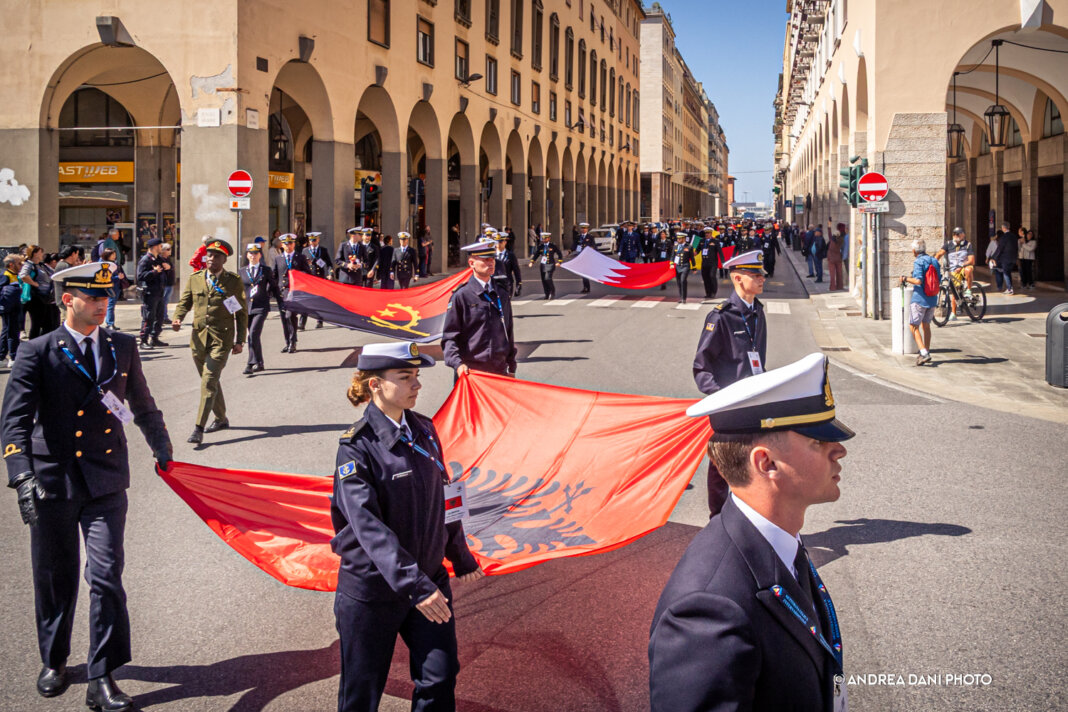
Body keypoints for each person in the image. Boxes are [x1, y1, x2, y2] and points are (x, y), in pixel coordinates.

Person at [2, 260, 172, 712]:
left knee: (106, 575)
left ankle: (102, 675)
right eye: (93, 297)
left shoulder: (121, 344)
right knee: (55, 579)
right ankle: (55, 659)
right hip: (52, 480)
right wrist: (20, 476)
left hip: (105, 479)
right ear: (67, 300)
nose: (102, 304)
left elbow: (142, 403)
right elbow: (14, 422)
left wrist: (162, 447)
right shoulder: (38, 350)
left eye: (106, 296)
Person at [649, 352, 852, 712]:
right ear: (766, 463)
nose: (839, 451)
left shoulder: (777, 541)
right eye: (817, 442)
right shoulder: (708, 609)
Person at [332, 341, 483, 711]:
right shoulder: (356, 447)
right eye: (405, 377)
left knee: (440, 676)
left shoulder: (425, 429)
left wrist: (460, 558)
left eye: (416, 376)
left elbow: (445, 500)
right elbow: (368, 528)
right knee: (361, 694)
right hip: (374, 593)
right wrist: (416, 587)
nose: (417, 385)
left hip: (429, 581)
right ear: (375, 385)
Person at [693, 250, 769, 517]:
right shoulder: (721, 316)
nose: (762, 279)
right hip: (728, 405)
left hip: (753, 403)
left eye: (762, 275)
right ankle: (718, 519)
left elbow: (758, 359)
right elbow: (702, 367)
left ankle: (747, 516)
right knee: (722, 465)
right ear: (738, 278)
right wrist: (721, 398)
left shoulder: (758, 312)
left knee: (752, 462)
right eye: (756, 275)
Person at [171, 238, 247, 443]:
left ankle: (198, 428)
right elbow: (185, 301)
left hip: (221, 339)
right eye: (209, 255)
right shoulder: (195, 278)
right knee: (210, 382)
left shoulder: (232, 281)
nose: (211, 259)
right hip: (198, 338)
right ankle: (221, 418)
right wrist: (178, 317)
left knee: (208, 381)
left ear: (224, 259)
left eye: (216, 256)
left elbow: (240, 313)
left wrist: (240, 340)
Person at [442, 237, 518, 377]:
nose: (491, 263)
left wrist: (511, 365)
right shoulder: (462, 296)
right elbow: (449, 337)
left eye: (492, 259)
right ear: (472, 263)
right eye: (485, 259)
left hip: (499, 370)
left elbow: (508, 331)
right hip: (471, 371)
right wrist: (457, 364)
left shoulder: (501, 293)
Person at [241, 243, 283, 375]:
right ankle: (260, 362)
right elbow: (237, 291)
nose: (253, 256)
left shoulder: (265, 270)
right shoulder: (241, 271)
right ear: (247, 255)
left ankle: (250, 363)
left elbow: (274, 287)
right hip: (247, 308)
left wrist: (281, 303)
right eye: (250, 253)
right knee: (254, 336)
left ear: (260, 255)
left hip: (261, 307)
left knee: (253, 333)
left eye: (256, 253)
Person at [901, 238, 940, 366]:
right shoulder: (934, 260)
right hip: (933, 298)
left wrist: (905, 278)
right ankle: (926, 351)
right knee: (926, 325)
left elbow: (918, 281)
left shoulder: (918, 262)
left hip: (920, 299)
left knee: (913, 326)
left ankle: (923, 352)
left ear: (914, 251)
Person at [274, 234, 309, 353]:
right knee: (284, 318)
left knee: (290, 315)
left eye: (291, 243)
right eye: (286, 243)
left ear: (294, 244)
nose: (288, 246)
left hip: (294, 291)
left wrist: (298, 275)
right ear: (282, 245)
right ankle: (288, 342)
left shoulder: (300, 257)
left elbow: (307, 273)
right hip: (282, 292)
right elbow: (274, 275)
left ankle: (293, 341)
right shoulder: (278, 258)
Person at [934, 227, 976, 319]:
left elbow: (971, 260)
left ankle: (968, 290)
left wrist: (962, 266)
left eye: (958, 234)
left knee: (968, 270)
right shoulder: (948, 244)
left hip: (964, 267)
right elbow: (939, 254)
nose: (955, 236)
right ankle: (953, 313)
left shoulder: (967, 245)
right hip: (953, 270)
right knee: (954, 290)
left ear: (963, 235)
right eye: (954, 234)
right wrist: (933, 262)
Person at [136, 238, 169, 348]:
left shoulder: (158, 258)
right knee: (149, 317)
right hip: (150, 292)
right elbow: (140, 276)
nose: (162, 248)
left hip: (159, 292)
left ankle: (154, 338)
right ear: (154, 247)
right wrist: (153, 272)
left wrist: (168, 267)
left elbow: (165, 268)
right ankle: (143, 340)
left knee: (159, 317)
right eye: (160, 246)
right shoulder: (145, 260)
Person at [300, 232, 330, 330]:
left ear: (318, 240)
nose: (313, 242)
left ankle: (319, 320)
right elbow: (301, 265)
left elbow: (329, 263)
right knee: (305, 301)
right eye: (311, 240)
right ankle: (302, 323)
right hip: (308, 279)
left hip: (319, 278)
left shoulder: (323, 250)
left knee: (319, 301)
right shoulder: (305, 251)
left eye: (314, 240)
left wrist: (329, 274)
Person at [53, 245, 85, 326]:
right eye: (77, 254)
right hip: (64, 299)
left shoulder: (64, 265)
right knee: (66, 322)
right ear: (73, 254)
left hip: (65, 298)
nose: (77, 256)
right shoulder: (64, 265)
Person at [0, 254, 23, 366]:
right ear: (11, 264)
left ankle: (2, 356)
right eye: (19, 263)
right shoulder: (5, 275)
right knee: (11, 332)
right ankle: (13, 357)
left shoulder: (15, 275)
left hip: (14, 308)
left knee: (8, 331)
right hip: (8, 309)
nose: (21, 265)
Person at [529, 232, 564, 300]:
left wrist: (559, 262)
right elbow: (536, 255)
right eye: (543, 238)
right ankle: (547, 294)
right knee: (544, 280)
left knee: (547, 278)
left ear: (549, 238)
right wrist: (532, 262)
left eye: (545, 238)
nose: (544, 240)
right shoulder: (541, 246)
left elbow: (559, 253)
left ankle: (552, 292)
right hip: (543, 265)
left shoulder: (552, 246)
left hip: (550, 264)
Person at [100, 248, 126, 330]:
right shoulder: (104, 264)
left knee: (112, 305)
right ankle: (110, 323)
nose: (114, 256)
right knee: (110, 305)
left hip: (116, 286)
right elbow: (105, 277)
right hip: (110, 286)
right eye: (113, 255)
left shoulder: (114, 263)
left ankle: (111, 322)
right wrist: (117, 277)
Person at [492, 231, 523, 296]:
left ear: (505, 242)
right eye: (496, 242)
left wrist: (519, 284)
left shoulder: (510, 255)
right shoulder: (492, 255)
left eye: (500, 242)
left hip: (507, 284)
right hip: (494, 284)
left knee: (506, 303)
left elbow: (516, 270)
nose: (498, 244)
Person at [989, 222, 1017, 295]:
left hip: (1006, 258)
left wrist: (993, 257)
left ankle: (1009, 289)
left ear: (1004, 228)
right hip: (1013, 258)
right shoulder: (1014, 236)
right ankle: (1010, 288)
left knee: (1006, 273)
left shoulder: (1004, 237)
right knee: (1008, 272)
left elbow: (1000, 249)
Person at [698, 227, 723, 299]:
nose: (707, 234)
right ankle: (708, 293)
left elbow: (720, 252)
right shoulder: (701, 241)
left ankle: (713, 292)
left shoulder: (715, 241)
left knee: (712, 276)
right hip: (704, 262)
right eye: (706, 233)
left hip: (713, 263)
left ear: (711, 233)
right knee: (705, 278)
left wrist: (723, 262)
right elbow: (697, 250)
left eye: (708, 233)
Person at [672, 232, 696, 304]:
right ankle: (681, 297)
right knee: (679, 282)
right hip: (678, 266)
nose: (678, 240)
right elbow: (672, 256)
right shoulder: (675, 246)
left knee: (683, 281)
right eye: (678, 238)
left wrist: (694, 267)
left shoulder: (689, 246)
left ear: (684, 239)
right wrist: (671, 263)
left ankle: (684, 298)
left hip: (685, 266)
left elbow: (692, 258)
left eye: (679, 238)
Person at [572, 222, 595, 293]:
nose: (583, 230)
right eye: (582, 228)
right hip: (580, 257)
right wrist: (570, 251)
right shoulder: (578, 237)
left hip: (587, 257)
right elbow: (574, 245)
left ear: (587, 229)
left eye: (585, 228)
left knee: (585, 272)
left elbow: (594, 246)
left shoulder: (590, 237)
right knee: (582, 273)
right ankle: (586, 287)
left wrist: (591, 248)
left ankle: (586, 287)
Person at [159, 242, 176, 321]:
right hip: (165, 284)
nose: (170, 251)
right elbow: (166, 269)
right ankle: (162, 317)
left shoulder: (168, 259)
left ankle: (164, 316)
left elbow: (171, 268)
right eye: (168, 249)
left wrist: (170, 267)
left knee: (166, 301)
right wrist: (169, 268)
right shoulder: (160, 259)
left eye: (170, 249)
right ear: (163, 250)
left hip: (170, 283)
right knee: (163, 301)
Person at [827, 225, 844, 291]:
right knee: (839, 273)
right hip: (838, 258)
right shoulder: (841, 240)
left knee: (832, 274)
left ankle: (832, 287)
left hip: (831, 258)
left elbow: (829, 233)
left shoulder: (832, 239)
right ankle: (840, 286)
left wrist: (829, 225)